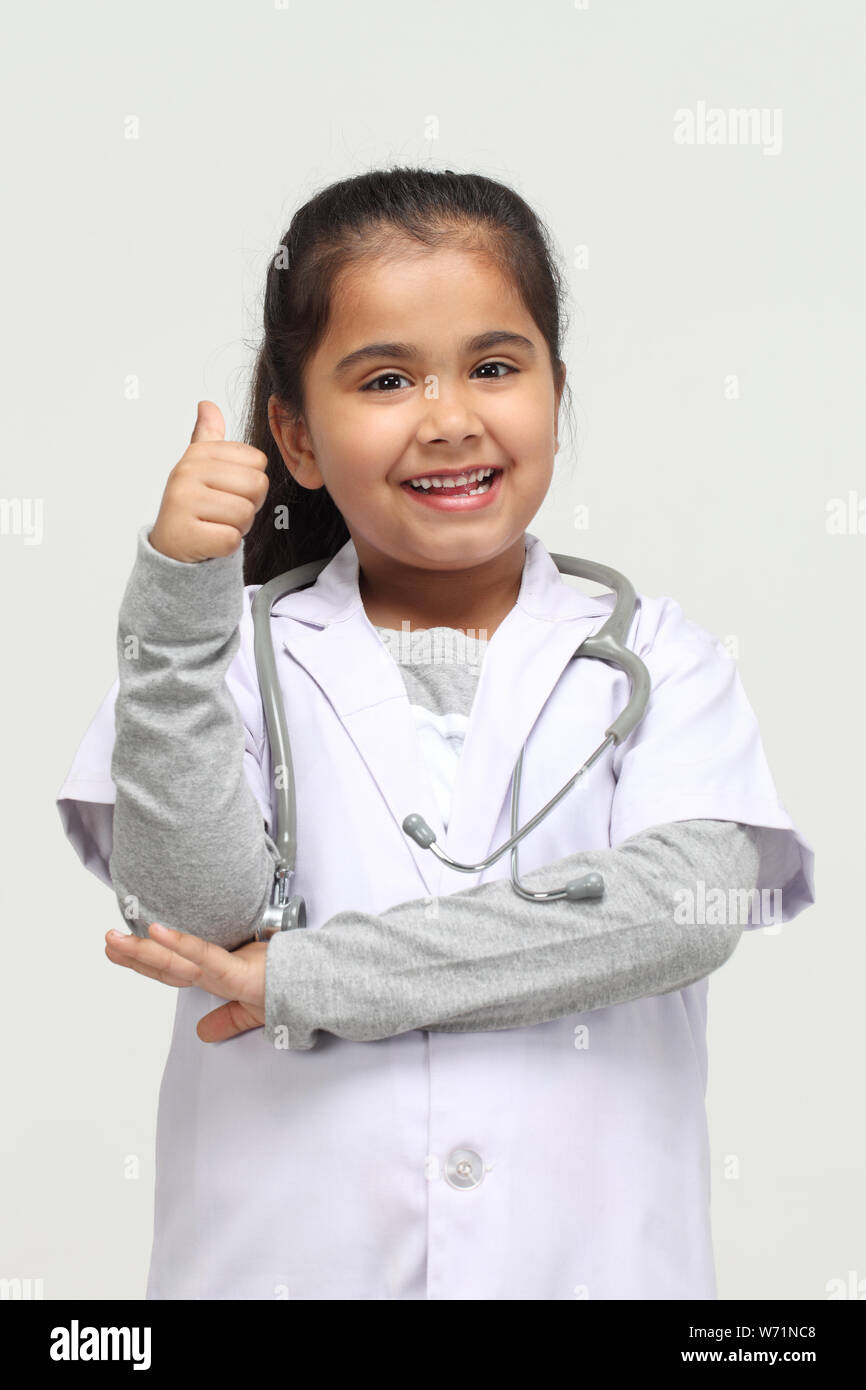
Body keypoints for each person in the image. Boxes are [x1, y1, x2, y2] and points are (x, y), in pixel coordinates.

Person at [56, 167, 815, 1301]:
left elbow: (672, 912)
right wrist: (176, 610)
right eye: (385, 377)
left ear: (556, 393)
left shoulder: (658, 659)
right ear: (295, 438)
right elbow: (202, 909)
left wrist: (314, 979)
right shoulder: (230, 663)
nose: (449, 415)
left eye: (494, 367)